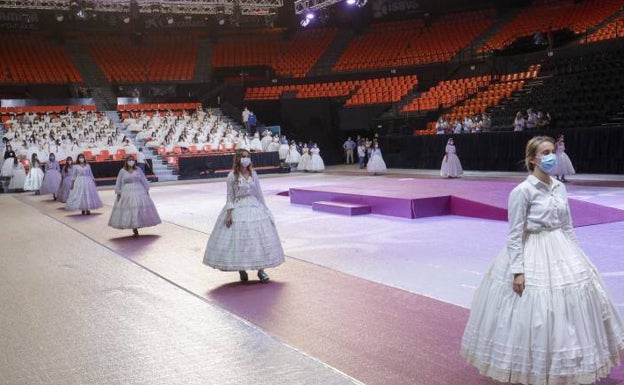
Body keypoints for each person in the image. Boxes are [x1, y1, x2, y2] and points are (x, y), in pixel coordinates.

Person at [461, 136, 624, 385]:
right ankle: (534, 368)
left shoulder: (559, 187)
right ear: (532, 159)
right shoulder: (522, 192)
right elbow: (514, 234)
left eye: (552, 151)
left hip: (560, 248)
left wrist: (578, 255)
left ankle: (563, 367)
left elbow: (567, 225)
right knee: (535, 313)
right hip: (533, 249)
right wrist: (518, 271)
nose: (551, 157)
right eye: (545, 152)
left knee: (567, 309)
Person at [203, 149, 284, 282]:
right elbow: (229, 196)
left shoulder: (253, 174)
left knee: (258, 238)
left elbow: (259, 193)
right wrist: (229, 213)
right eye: (243, 157)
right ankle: (242, 269)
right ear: (238, 159)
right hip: (238, 206)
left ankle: (261, 270)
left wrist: (266, 210)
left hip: (254, 205)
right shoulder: (231, 176)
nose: (246, 159)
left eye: (248, 157)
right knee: (239, 239)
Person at [108, 155, 161, 237]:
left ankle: (137, 224)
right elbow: (118, 182)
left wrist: (146, 189)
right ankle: (134, 227)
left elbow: (143, 179)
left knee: (138, 207)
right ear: (126, 161)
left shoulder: (138, 169)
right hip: (127, 191)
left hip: (139, 190)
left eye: (132, 160)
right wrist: (118, 192)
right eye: (129, 160)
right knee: (130, 208)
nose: (131, 161)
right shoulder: (122, 171)